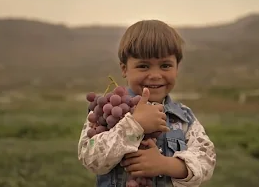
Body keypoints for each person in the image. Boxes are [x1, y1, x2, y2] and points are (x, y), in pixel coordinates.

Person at [78, 20, 216, 187]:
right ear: (124, 69)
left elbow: (207, 160)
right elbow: (90, 158)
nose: (155, 75)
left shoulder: (184, 118)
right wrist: (134, 125)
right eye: (143, 66)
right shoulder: (105, 113)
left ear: (177, 68)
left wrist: (166, 165)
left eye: (165, 65)